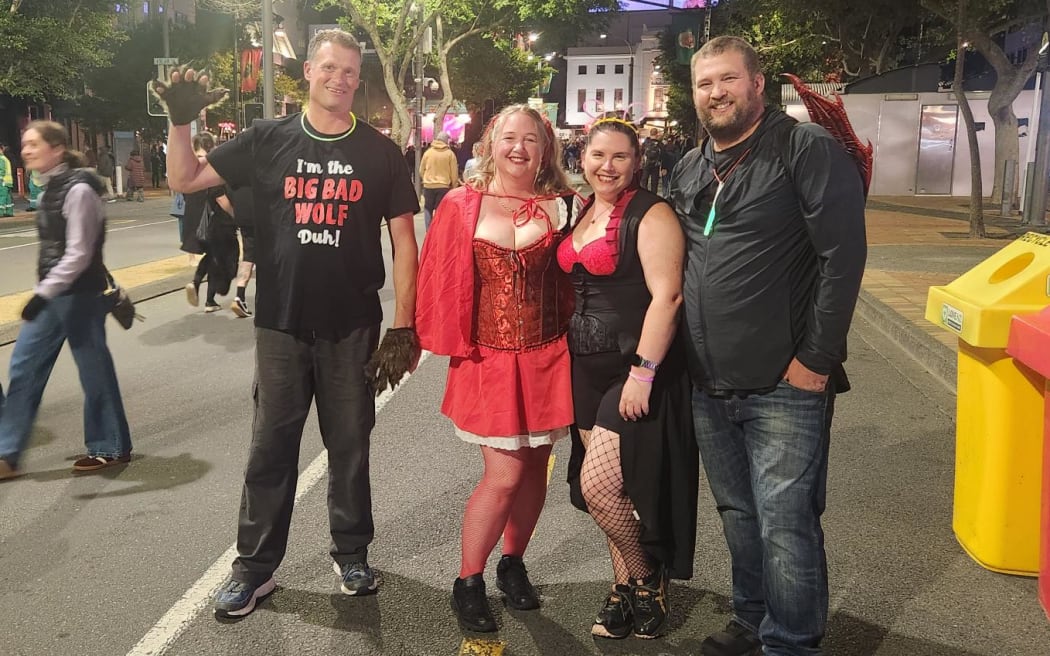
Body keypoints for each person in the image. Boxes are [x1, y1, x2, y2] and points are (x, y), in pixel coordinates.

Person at [156, 27, 420, 619]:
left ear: (358, 79)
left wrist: (405, 326)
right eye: (330, 68)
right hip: (279, 324)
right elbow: (184, 180)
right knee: (270, 447)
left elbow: (405, 241)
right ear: (308, 71)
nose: (340, 79)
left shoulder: (378, 152)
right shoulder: (266, 139)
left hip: (354, 327)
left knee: (350, 446)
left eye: (350, 71)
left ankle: (351, 553)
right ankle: (254, 568)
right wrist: (179, 122)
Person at [667, 36, 866, 656]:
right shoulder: (693, 162)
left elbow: (843, 257)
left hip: (785, 382)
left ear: (757, 84)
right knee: (739, 516)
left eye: (727, 79)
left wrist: (815, 359)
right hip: (708, 380)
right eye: (704, 83)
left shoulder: (802, 147)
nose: (715, 92)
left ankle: (791, 644)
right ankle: (752, 621)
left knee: (786, 525)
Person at [415, 104, 575, 633]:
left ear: (545, 148)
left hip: (549, 354)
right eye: (509, 137)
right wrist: (423, 338)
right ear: (490, 143)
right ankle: (468, 580)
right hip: (487, 357)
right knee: (504, 473)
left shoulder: (566, 206)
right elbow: (438, 276)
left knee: (534, 467)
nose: (519, 148)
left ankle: (513, 563)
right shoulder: (462, 204)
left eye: (531, 139)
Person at [560, 117, 698, 640]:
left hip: (631, 365)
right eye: (598, 155)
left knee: (599, 487)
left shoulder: (651, 213)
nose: (607, 166)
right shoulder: (582, 209)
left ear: (637, 162)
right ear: (583, 157)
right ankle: (623, 588)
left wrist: (643, 373)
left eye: (619, 157)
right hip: (584, 368)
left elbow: (668, 296)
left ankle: (646, 576)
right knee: (611, 491)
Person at [0, 121, 132, 481]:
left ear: (57, 149)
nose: (25, 150)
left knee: (94, 371)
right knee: (23, 368)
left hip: (80, 296)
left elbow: (79, 253)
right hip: (56, 295)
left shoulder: (79, 191)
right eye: (24, 144)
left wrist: (42, 293)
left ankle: (110, 447)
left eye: (33, 144)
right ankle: (7, 454)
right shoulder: (48, 190)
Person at [182, 132, 239, 313]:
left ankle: (197, 284)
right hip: (217, 220)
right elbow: (219, 195)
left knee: (211, 256)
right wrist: (235, 215)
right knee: (223, 258)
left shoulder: (190, 165)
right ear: (210, 146)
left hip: (197, 219)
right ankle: (211, 297)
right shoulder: (210, 165)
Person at [419, 130, 459, 230]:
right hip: (443, 186)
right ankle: (438, 230)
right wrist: (454, 186)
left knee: (428, 208)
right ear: (446, 141)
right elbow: (454, 173)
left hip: (428, 185)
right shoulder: (450, 154)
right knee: (440, 209)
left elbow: (421, 170)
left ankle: (428, 230)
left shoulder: (428, 153)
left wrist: (425, 179)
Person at [227, 183, 256, 318]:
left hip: (243, 218)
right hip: (263, 219)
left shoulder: (234, 177)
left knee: (248, 257)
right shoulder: (261, 172)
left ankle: (240, 296)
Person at [0, 143, 14, 216]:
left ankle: (0, 212)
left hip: (3, 181)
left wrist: (0, 178)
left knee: (2, 196)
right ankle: (9, 212)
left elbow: (2, 170)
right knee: (8, 197)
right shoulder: (5, 159)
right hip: (8, 181)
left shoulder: (1, 158)